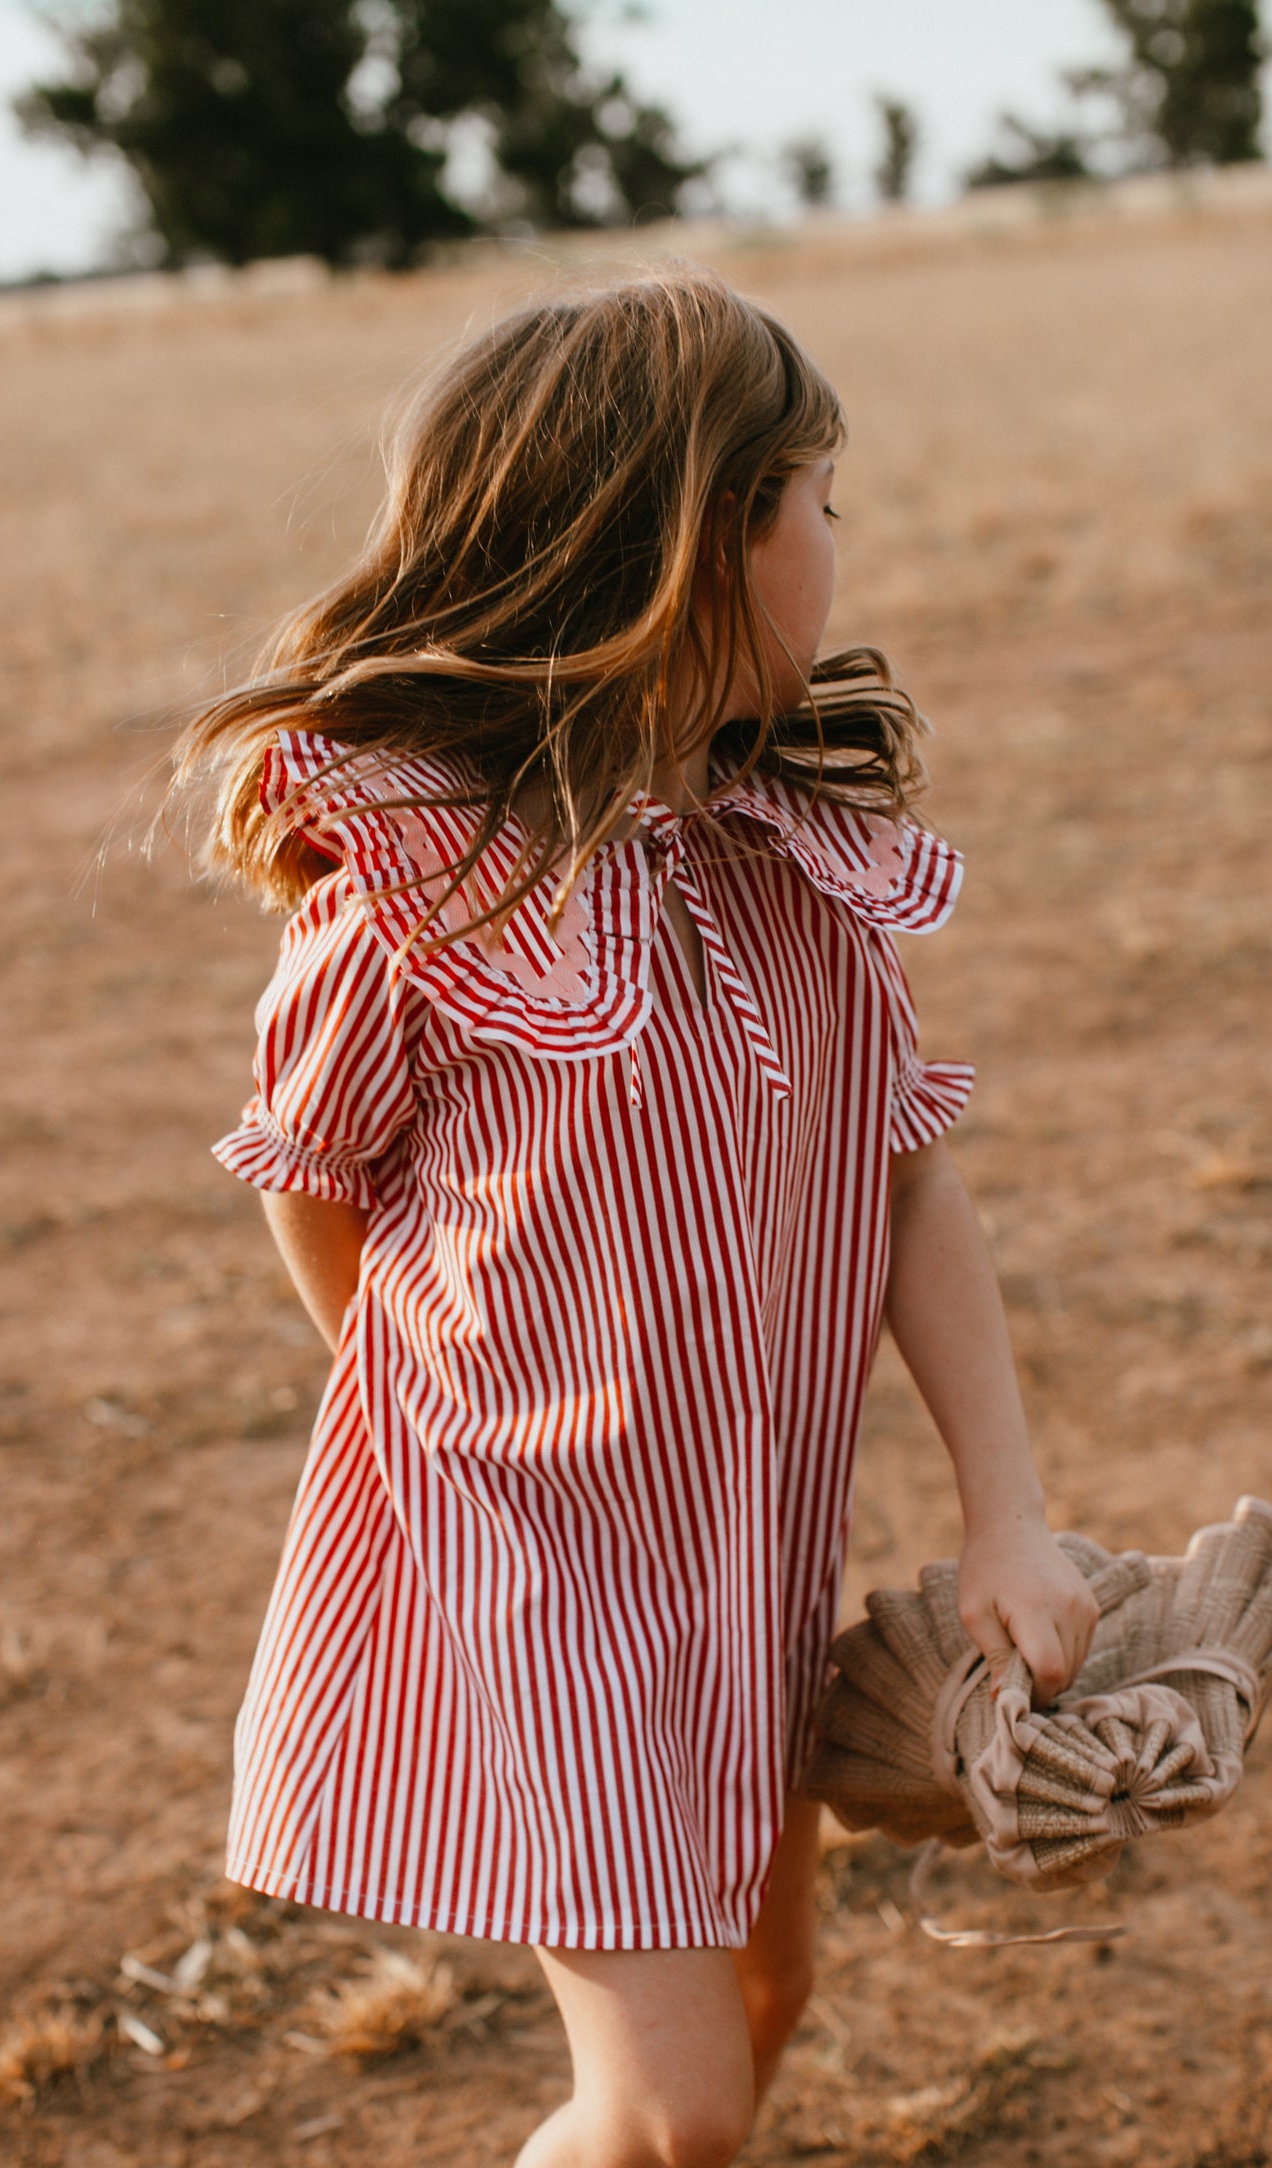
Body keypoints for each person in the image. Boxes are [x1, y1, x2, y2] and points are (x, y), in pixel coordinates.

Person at [174, 266, 1099, 2168]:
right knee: (668, 2113)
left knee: (762, 2014)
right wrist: (448, 1435)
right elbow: (317, 1187)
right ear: (699, 541)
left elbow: (909, 1174)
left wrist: (1004, 1509)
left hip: (742, 1549)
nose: (841, 545)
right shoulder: (424, 888)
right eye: (818, 504)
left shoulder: (797, 861)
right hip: (534, 1579)